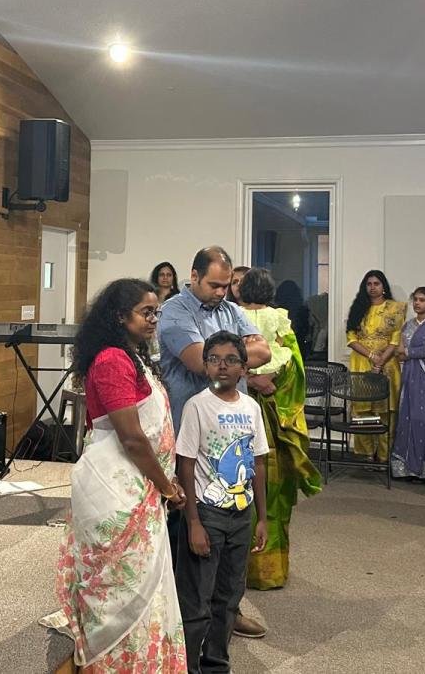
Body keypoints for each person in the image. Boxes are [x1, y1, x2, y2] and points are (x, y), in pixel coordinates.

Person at [47, 279, 187, 671]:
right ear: (120, 316)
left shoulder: (133, 357)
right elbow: (132, 438)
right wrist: (167, 486)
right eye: (146, 312)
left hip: (141, 484)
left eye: (156, 312)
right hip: (117, 488)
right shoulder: (112, 360)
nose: (154, 319)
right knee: (119, 590)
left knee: (145, 586)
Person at [157, 246, 271, 639]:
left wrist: (222, 353)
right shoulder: (174, 311)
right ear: (193, 276)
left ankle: (228, 612)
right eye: (214, 285)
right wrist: (235, 355)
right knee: (189, 527)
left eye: (227, 286)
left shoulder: (230, 309)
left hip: (232, 436)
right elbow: (196, 361)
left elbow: (264, 350)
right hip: (190, 435)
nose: (223, 292)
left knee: (233, 528)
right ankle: (186, 620)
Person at [175, 332, 269, 674]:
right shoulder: (197, 406)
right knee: (197, 600)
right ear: (205, 366)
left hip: (241, 515)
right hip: (207, 514)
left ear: (244, 368)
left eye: (231, 360)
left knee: (229, 596)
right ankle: (188, 667)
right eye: (214, 359)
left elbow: (258, 462)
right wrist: (193, 522)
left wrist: (262, 517)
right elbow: (185, 464)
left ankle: (216, 664)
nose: (222, 366)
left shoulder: (251, 408)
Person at [234, 267, 322, 590]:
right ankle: (269, 570)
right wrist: (267, 379)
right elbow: (294, 363)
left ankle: (236, 571)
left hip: (237, 407)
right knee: (272, 485)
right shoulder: (280, 319)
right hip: (273, 413)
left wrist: (247, 379)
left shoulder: (232, 317)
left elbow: (220, 361)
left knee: (237, 480)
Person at [345, 270, 405, 461]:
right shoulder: (358, 308)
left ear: (383, 286)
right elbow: (351, 338)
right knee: (363, 410)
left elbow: (395, 339)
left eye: (376, 283)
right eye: (369, 284)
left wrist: (381, 360)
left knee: (385, 411)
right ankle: (367, 453)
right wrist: (371, 356)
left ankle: (385, 455)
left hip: (387, 363)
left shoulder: (395, 308)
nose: (372, 287)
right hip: (362, 362)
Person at [391, 287, 425, 481]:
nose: (417, 303)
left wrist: (407, 352)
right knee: (407, 416)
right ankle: (404, 468)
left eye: (422, 300)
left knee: (423, 418)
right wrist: (405, 352)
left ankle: (424, 469)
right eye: (416, 300)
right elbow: (398, 351)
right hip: (409, 373)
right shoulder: (408, 325)